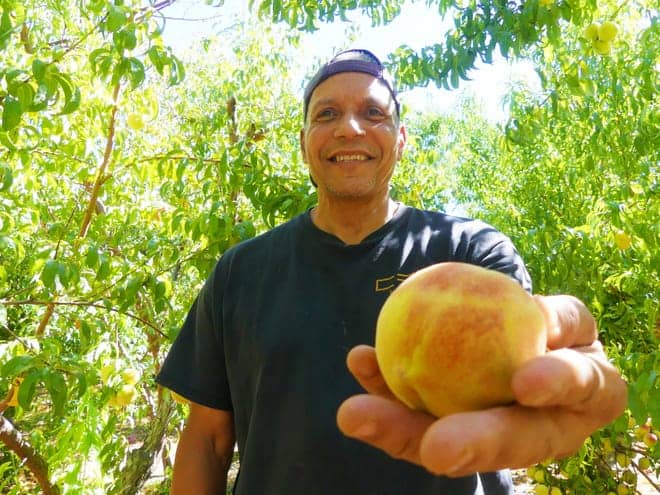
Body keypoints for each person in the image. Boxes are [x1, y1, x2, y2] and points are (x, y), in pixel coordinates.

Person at [156, 49, 627, 494]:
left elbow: (529, 373)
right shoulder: (241, 271)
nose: (350, 128)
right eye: (326, 114)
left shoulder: (471, 252)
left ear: (400, 141)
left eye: (374, 113)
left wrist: (568, 388)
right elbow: (207, 439)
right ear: (304, 145)